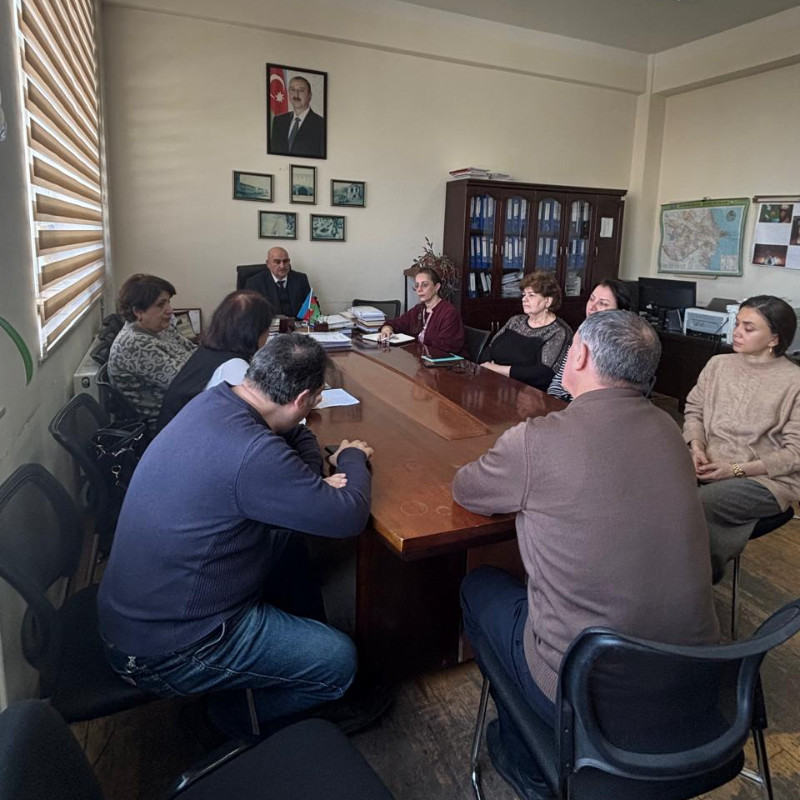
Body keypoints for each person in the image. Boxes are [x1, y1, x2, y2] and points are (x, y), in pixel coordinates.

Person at [455, 311, 719, 799]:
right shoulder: (670, 431)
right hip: (699, 682)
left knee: (479, 587)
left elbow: (467, 488)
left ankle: (529, 763)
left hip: (587, 692)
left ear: (577, 355)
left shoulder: (539, 440)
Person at [98, 334, 373, 738]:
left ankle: (279, 653)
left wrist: (305, 464)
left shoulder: (218, 401)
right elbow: (348, 515)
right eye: (314, 402)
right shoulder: (253, 453)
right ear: (303, 399)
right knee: (339, 662)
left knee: (289, 542)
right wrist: (352, 456)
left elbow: (295, 439)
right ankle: (233, 715)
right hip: (167, 650)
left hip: (141, 614)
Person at [683, 295, 800, 583]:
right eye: (737, 324)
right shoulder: (718, 365)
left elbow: (794, 454)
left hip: (765, 479)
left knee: (699, 504)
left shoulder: (794, 382)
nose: (736, 332)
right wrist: (696, 447)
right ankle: (652, 570)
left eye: (749, 328)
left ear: (774, 338)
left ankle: (694, 579)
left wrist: (734, 470)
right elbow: (694, 410)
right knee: (644, 486)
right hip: (708, 463)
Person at [155, 290, 274, 431]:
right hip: (188, 443)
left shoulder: (208, 351)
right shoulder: (233, 367)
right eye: (267, 330)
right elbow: (268, 418)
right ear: (255, 332)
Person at [108, 274, 195, 432]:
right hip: (168, 422)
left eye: (168, 302)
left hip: (185, 407)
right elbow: (187, 385)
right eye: (161, 304)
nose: (169, 310)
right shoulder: (135, 344)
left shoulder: (161, 328)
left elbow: (194, 352)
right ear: (138, 311)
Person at [479, 271, 572, 391]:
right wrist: (489, 368)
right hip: (495, 383)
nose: (524, 299)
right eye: (524, 295)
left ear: (548, 301)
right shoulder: (515, 321)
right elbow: (489, 349)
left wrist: (496, 369)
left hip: (528, 394)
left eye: (531, 295)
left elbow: (543, 373)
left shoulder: (558, 331)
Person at [547, 278, 631, 401]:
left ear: (619, 311)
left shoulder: (623, 346)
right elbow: (559, 380)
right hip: (565, 405)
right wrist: (553, 401)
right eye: (591, 299)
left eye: (603, 303)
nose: (592, 306)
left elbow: (605, 397)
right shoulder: (581, 334)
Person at [378, 267, 465, 354]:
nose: (419, 290)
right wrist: (387, 328)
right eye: (417, 285)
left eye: (424, 285)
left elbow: (445, 347)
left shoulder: (449, 312)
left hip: (443, 362)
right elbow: (396, 323)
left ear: (437, 287)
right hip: (422, 359)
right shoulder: (419, 309)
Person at [245, 247, 311, 318]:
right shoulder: (255, 283)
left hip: (296, 325)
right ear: (268, 264)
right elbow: (250, 313)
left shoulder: (300, 279)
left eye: (285, 261)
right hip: (268, 326)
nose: (282, 266)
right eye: (277, 262)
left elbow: (311, 306)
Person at [270, 76, 325, 158]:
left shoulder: (321, 124)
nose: (296, 95)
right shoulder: (278, 121)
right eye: (292, 90)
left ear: (310, 95)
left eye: (301, 90)